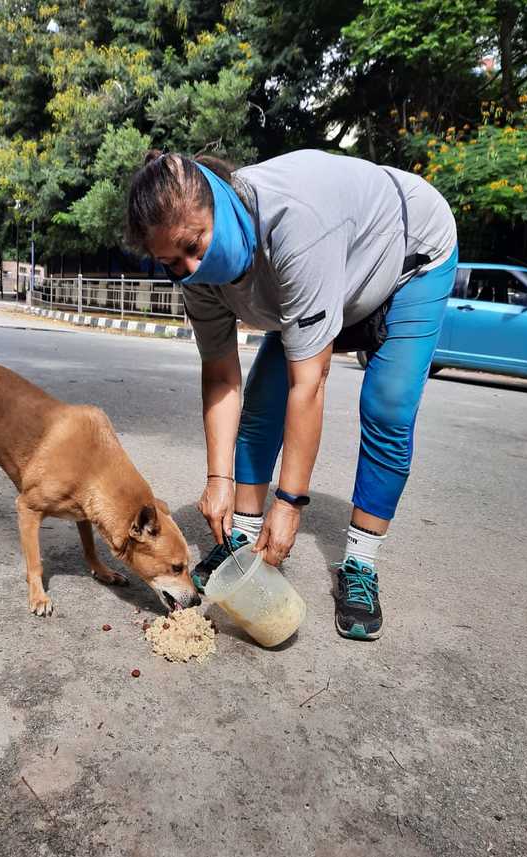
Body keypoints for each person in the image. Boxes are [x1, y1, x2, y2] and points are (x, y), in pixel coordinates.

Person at [126, 149, 457, 640]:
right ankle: (241, 539)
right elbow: (221, 376)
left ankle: (360, 565)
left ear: (218, 200)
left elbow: (311, 382)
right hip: (321, 280)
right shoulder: (194, 277)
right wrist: (218, 479)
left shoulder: (294, 223)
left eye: (196, 244)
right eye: (172, 261)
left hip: (408, 258)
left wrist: (289, 504)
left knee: (387, 406)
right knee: (261, 404)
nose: (192, 266)